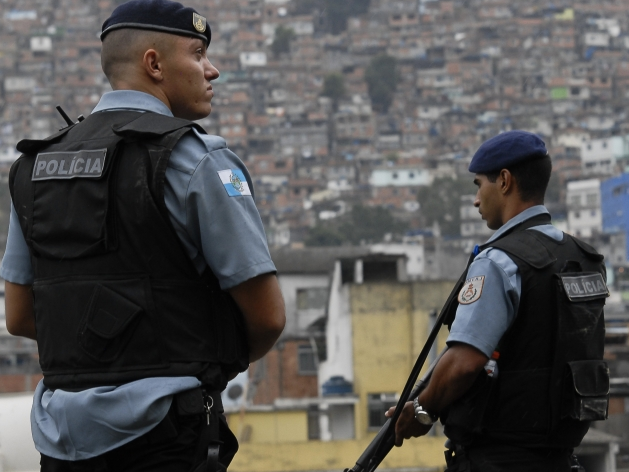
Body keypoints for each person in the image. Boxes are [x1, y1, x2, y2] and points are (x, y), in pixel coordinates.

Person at [2, 1, 286, 471]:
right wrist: (196, 361)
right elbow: (269, 317)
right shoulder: (196, 160)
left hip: (59, 443)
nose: (212, 70)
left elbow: (19, 315)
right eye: (198, 54)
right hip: (166, 438)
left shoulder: (36, 168)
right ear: (154, 64)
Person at [387, 131, 609, 471]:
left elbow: (464, 361)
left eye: (479, 185)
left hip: (499, 458)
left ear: (504, 181)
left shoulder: (498, 262)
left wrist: (422, 410)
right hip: (559, 458)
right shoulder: (582, 258)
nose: (476, 199)